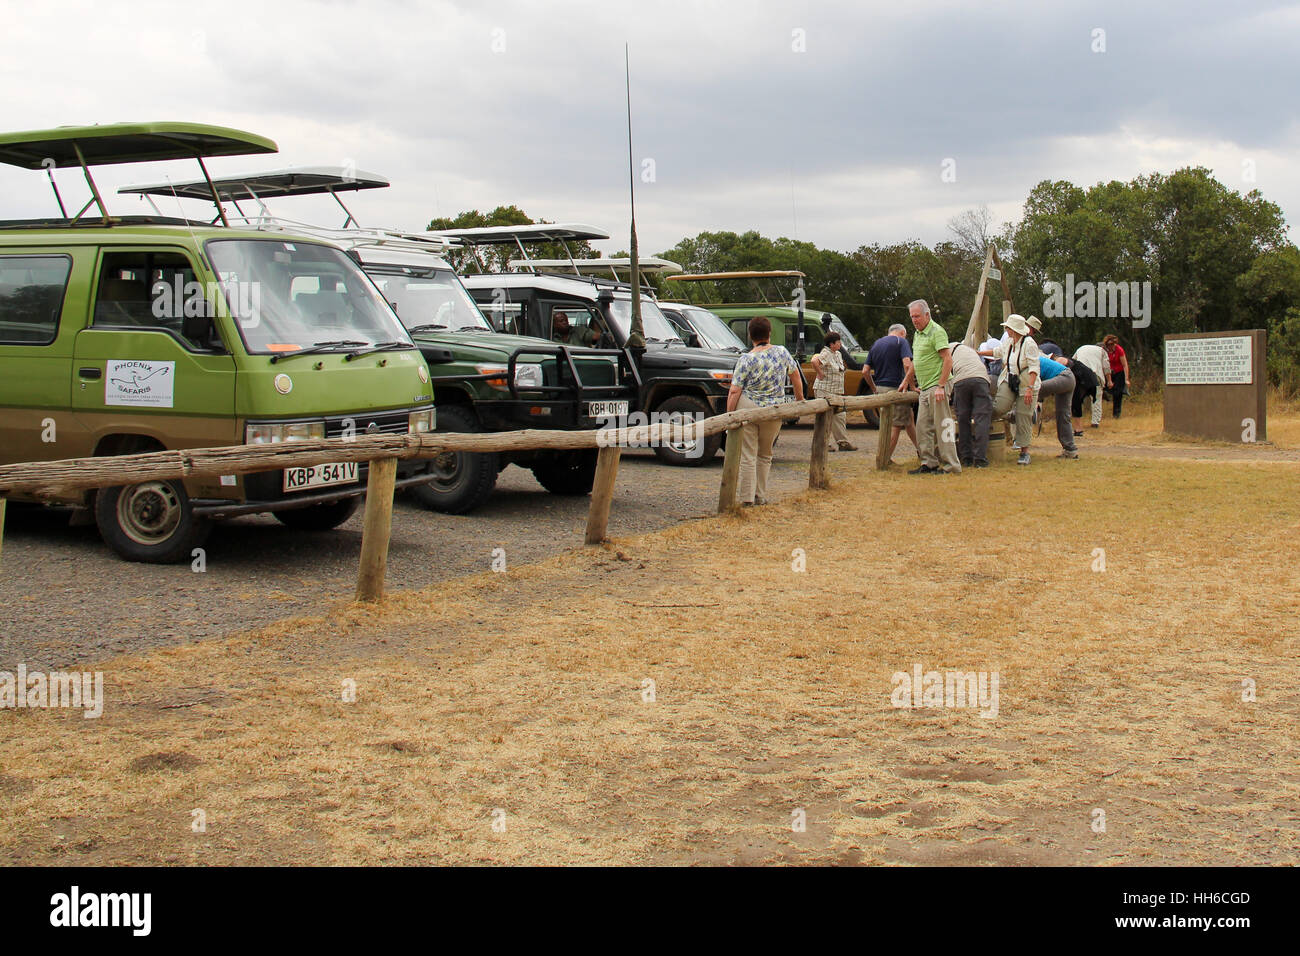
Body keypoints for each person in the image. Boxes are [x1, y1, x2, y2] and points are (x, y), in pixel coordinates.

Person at [726, 316, 805, 506]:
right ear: (770, 333)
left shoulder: (746, 359)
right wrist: (800, 400)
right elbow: (795, 376)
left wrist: (730, 416)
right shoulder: (782, 352)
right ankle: (760, 495)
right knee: (765, 454)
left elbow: (735, 390)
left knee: (748, 454)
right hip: (773, 410)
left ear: (749, 335)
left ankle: (746, 497)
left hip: (749, 408)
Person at [897, 299, 960, 474]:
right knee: (922, 427)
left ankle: (951, 466)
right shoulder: (918, 334)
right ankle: (928, 463)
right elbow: (916, 361)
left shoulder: (936, 332)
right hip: (924, 387)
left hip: (937, 385)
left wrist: (941, 386)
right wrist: (905, 381)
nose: (914, 320)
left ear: (927, 315)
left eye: (917, 316)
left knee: (943, 425)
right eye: (912, 317)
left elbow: (948, 359)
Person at [981, 314, 1039, 465]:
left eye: (1007, 327)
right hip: (1010, 379)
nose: (1006, 329)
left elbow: (1034, 368)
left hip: (1027, 383)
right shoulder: (1009, 342)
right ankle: (988, 432)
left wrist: (1029, 389)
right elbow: (997, 352)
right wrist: (978, 353)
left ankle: (1024, 452)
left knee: (1023, 415)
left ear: (1013, 329)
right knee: (999, 407)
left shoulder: (1029, 343)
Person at [864, 323, 918, 464]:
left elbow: (865, 371)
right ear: (902, 332)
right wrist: (911, 385)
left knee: (909, 419)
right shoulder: (901, 341)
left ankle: (922, 452)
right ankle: (884, 459)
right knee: (895, 425)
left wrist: (874, 388)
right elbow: (907, 364)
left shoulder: (876, 344)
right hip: (896, 389)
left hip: (881, 389)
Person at [948, 342, 993, 468]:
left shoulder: (946, 350)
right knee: (982, 419)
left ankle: (966, 457)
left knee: (963, 419)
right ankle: (980, 459)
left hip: (961, 381)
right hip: (981, 379)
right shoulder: (970, 351)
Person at [810, 330, 856, 451]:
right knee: (824, 417)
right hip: (824, 390)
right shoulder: (826, 353)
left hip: (836, 391)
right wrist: (819, 373)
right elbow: (814, 361)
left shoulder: (838, 354)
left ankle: (843, 442)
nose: (840, 344)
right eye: (838, 342)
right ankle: (822, 444)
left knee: (840, 415)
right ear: (831, 344)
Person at [1036, 352, 1079, 458]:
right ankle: (1070, 450)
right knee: (1063, 414)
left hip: (1064, 377)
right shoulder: (1036, 359)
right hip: (1069, 378)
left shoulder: (1031, 362)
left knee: (1033, 390)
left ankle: (1015, 415)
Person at [1073, 342, 1112, 428]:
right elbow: (1106, 367)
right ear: (1103, 347)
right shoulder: (1102, 351)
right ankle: (1095, 422)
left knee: (1077, 398)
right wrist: (1109, 381)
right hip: (1095, 375)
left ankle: (1075, 421)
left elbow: (1072, 361)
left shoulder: (1081, 347)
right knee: (1097, 399)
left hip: (1080, 374)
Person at [1103, 334, 1130, 417]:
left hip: (1119, 372)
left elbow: (1125, 365)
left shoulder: (1119, 350)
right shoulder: (1104, 351)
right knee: (1104, 387)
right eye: (1109, 344)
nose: (1111, 346)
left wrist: (1126, 379)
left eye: (1112, 344)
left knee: (1118, 393)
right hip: (1108, 372)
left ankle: (1116, 414)